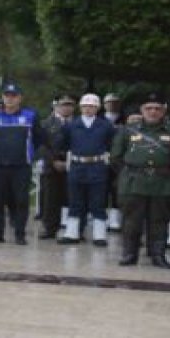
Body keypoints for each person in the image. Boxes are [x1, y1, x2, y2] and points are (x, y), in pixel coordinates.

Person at [111, 93, 170, 268]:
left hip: (162, 182)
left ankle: (158, 255)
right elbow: (116, 157)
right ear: (142, 110)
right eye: (149, 108)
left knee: (159, 221)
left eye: (157, 108)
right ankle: (129, 254)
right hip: (134, 182)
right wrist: (130, 173)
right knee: (131, 221)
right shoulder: (128, 130)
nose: (153, 112)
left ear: (164, 111)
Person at [0, 83, 44, 245]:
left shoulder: (30, 116)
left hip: (21, 167)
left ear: (20, 98)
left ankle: (20, 235)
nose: (10, 99)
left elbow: (39, 138)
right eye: (7, 96)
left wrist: (30, 154)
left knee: (21, 201)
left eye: (13, 96)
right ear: (3, 98)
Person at [57, 93, 116, 246]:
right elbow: (64, 144)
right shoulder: (70, 125)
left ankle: (99, 235)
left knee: (98, 201)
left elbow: (111, 144)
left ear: (97, 108)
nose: (88, 109)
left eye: (92, 106)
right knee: (75, 201)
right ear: (81, 107)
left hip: (97, 166)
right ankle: (72, 233)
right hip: (77, 166)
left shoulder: (106, 125)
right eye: (86, 106)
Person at [38, 94, 76, 239]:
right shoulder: (46, 124)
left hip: (72, 163)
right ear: (56, 106)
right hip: (51, 165)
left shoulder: (77, 123)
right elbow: (42, 146)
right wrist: (53, 161)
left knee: (73, 198)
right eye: (63, 104)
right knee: (50, 198)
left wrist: (68, 161)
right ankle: (49, 228)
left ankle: (73, 228)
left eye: (70, 104)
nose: (66, 107)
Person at [102, 93, 126, 230]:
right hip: (102, 158)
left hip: (119, 159)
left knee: (117, 189)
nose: (112, 104)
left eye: (115, 102)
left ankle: (115, 219)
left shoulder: (125, 119)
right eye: (109, 102)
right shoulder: (99, 119)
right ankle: (102, 218)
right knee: (102, 189)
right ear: (104, 104)